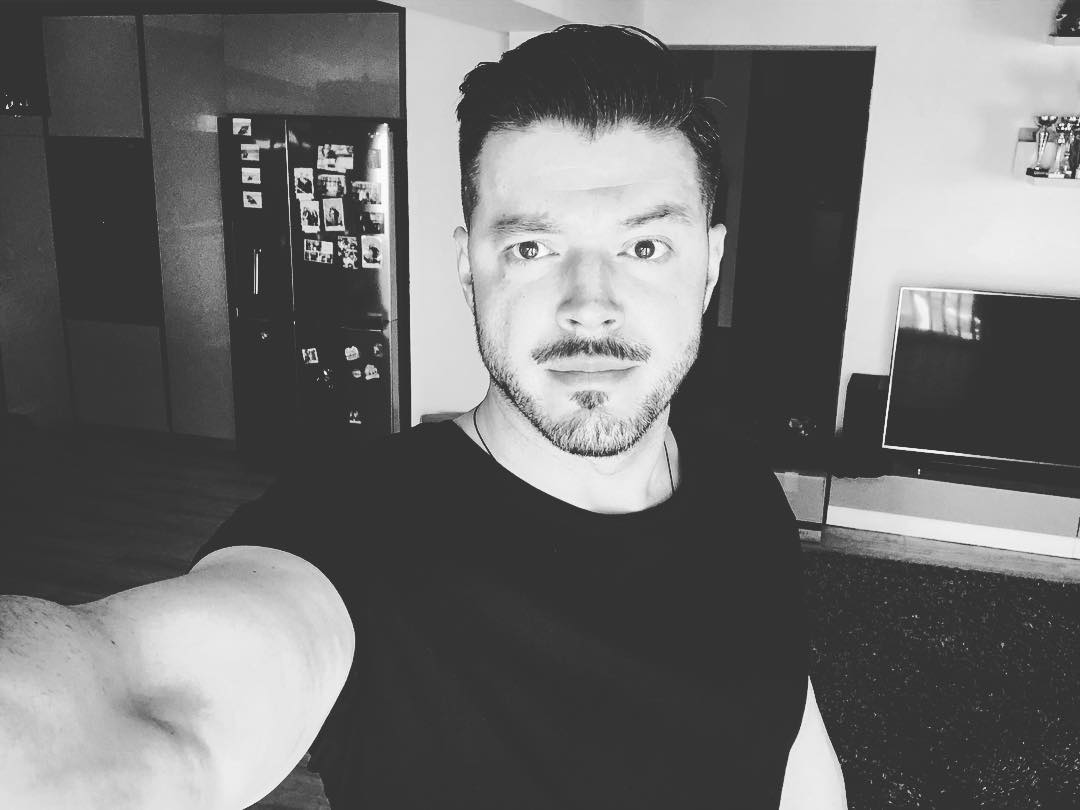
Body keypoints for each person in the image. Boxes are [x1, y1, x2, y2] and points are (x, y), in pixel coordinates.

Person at [0, 24, 846, 810]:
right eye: (532, 247)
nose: (590, 306)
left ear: (710, 266)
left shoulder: (742, 487)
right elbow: (138, 708)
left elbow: (786, 735)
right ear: (469, 269)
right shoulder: (353, 534)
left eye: (645, 247)